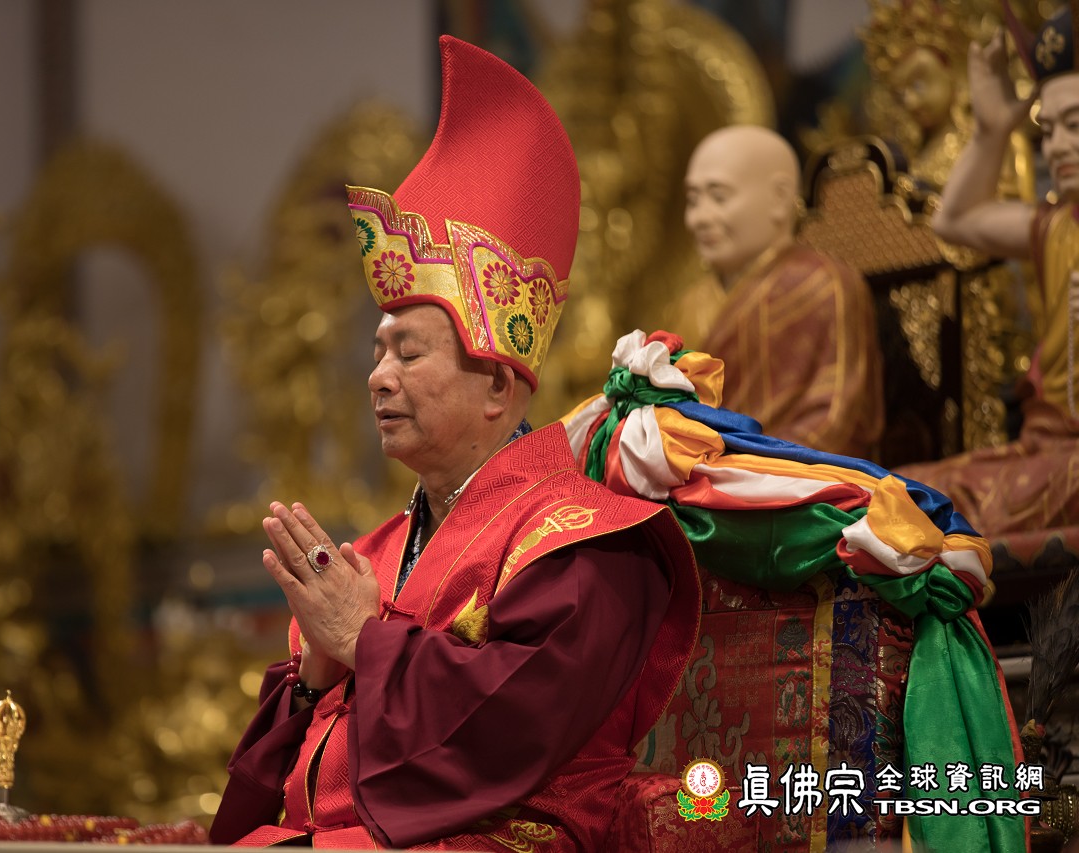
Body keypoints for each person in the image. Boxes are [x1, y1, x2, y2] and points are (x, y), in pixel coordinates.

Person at [209, 36, 700, 850]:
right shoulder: (374, 553)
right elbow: (280, 789)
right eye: (376, 352)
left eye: (408, 353)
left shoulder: (584, 543)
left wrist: (365, 642)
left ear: (499, 384)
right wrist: (314, 679)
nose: (378, 378)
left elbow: (512, 732)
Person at [900, 7, 1079, 545]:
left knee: (939, 509)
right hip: (1045, 448)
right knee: (901, 487)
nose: (1057, 146)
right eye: (1049, 130)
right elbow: (954, 220)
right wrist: (992, 129)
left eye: (1075, 125)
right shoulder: (1057, 228)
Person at [683, 125, 884, 459]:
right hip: (703, 471)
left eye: (719, 197)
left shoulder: (823, 285)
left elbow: (834, 420)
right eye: (692, 200)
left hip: (790, 475)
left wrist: (743, 464)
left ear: (778, 198)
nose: (699, 218)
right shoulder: (690, 305)